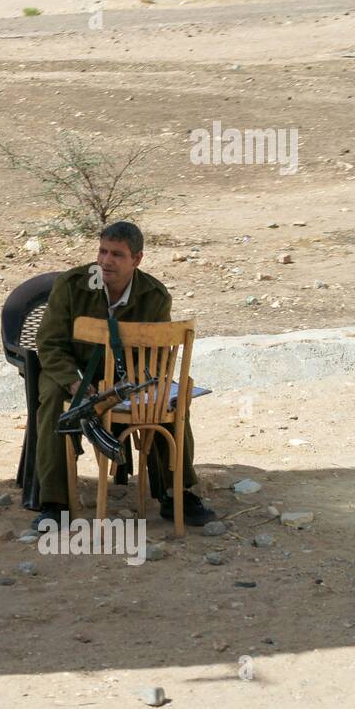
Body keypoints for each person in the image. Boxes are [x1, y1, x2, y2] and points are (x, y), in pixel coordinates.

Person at [32, 221, 215, 528]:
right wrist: (74, 381)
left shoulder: (154, 296)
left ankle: (176, 493)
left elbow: (158, 357)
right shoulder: (72, 284)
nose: (106, 261)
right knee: (51, 400)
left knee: (166, 402)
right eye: (102, 251)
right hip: (72, 370)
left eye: (117, 254)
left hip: (128, 378)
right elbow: (49, 343)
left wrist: (127, 384)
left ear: (137, 259)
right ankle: (55, 502)